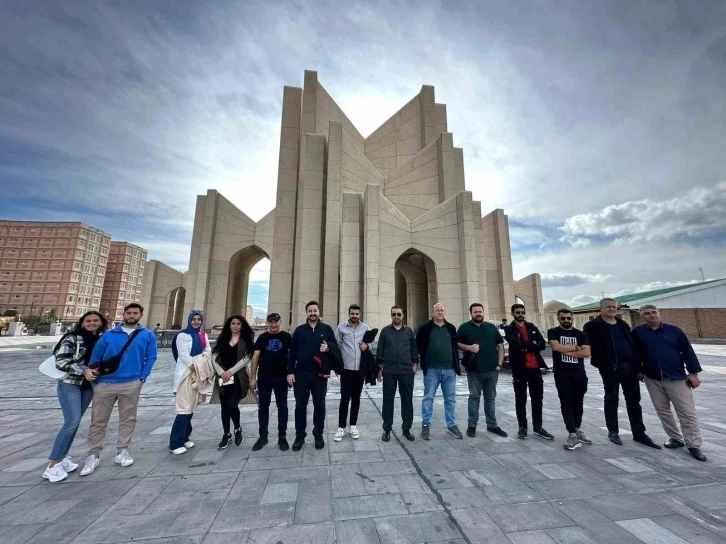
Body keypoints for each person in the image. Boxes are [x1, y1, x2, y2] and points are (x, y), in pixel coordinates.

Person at [80, 303, 157, 476]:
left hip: (131, 383)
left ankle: (122, 451)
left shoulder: (147, 335)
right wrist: (96, 383)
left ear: (140, 315)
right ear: (124, 314)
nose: (131, 315)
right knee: (98, 421)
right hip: (106, 384)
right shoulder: (108, 335)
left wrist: (142, 378)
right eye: (128, 313)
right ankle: (93, 455)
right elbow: (95, 359)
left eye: (135, 313)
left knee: (128, 419)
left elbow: (151, 357)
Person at [632, 305, 706, 461]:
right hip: (652, 378)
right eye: (647, 314)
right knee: (663, 410)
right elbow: (635, 354)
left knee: (686, 412)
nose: (652, 316)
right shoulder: (638, 333)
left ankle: (693, 444)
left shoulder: (674, 331)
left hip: (676, 377)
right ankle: (675, 438)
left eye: (654, 312)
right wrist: (638, 371)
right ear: (642, 317)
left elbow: (687, 351)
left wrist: (693, 373)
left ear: (659, 314)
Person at [583, 298, 660, 449]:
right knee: (611, 399)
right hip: (610, 369)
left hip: (630, 368)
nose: (612, 309)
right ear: (601, 309)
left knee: (634, 401)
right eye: (608, 307)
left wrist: (638, 368)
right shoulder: (593, 326)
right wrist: (601, 363)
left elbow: (632, 345)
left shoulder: (622, 324)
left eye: (614, 306)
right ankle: (613, 431)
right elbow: (588, 346)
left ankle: (639, 433)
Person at [43, 311, 109, 482]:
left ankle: (63, 457)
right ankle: (52, 464)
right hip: (70, 384)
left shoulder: (101, 339)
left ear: (101, 323)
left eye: (96, 320)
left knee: (76, 422)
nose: (92, 323)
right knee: (71, 422)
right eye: (88, 320)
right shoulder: (72, 337)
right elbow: (61, 360)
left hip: (87, 386)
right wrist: (83, 370)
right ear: (82, 322)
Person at [288, 301, 338, 451]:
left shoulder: (327, 329)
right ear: (307, 313)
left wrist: (328, 347)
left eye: (315, 310)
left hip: (319, 375)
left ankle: (318, 435)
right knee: (300, 406)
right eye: (310, 311)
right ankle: (300, 436)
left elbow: (335, 348)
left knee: (320, 406)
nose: (313, 313)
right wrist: (290, 372)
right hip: (301, 374)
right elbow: (292, 354)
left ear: (319, 312)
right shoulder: (299, 331)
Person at [457, 303, 507, 438]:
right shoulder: (464, 328)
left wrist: (499, 365)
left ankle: (492, 425)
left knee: (490, 398)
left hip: (492, 370)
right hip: (474, 370)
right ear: (471, 313)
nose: (478, 313)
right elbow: (457, 344)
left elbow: (500, 346)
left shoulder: (491, 328)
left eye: (480, 311)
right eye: (475, 312)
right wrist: (469, 348)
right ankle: (472, 426)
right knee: (474, 398)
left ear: (483, 312)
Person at [504, 304, 554, 441]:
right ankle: (522, 427)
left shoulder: (531, 327)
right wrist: (532, 345)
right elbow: (515, 344)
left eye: (522, 312)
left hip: (535, 369)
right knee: (520, 399)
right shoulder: (509, 329)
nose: (521, 314)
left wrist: (526, 346)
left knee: (537, 399)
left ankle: (538, 427)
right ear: (513, 313)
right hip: (520, 369)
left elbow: (542, 345)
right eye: (518, 312)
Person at [416, 303, 463, 440]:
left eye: (442, 310)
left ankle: (451, 425)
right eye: (437, 310)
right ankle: (426, 425)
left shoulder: (451, 328)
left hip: (449, 370)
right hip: (432, 369)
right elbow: (419, 345)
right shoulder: (425, 328)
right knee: (428, 398)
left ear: (445, 312)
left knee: (450, 399)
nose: (440, 312)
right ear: (433, 312)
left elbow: (455, 346)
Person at [547, 309, 591, 450]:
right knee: (566, 403)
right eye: (563, 318)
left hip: (579, 374)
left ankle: (577, 429)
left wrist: (565, 349)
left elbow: (587, 352)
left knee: (578, 403)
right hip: (562, 374)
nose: (566, 320)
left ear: (572, 318)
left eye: (568, 318)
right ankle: (571, 433)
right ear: (558, 319)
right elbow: (555, 347)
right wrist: (576, 348)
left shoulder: (581, 334)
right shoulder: (553, 332)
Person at [168, 310, 211, 454]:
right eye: (194, 319)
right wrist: (198, 364)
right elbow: (184, 356)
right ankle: (174, 443)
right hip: (186, 374)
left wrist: (200, 363)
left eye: (199, 319)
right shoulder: (183, 335)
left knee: (191, 407)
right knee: (183, 408)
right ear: (189, 320)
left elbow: (207, 352)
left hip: (198, 375)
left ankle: (185, 438)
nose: (196, 321)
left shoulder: (203, 334)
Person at [210, 315, 255, 450]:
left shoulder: (246, 341)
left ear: (242, 326)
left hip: (238, 378)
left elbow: (247, 357)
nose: (235, 326)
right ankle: (226, 434)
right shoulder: (223, 339)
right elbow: (214, 357)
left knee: (232, 404)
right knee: (224, 407)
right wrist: (221, 372)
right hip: (222, 378)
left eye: (238, 324)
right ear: (229, 325)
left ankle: (237, 428)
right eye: (233, 323)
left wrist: (230, 371)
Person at [250, 312, 292, 452]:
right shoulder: (262, 338)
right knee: (263, 407)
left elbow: (292, 357)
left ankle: (282, 437)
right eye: (271, 322)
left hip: (281, 377)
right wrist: (252, 378)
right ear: (267, 323)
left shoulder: (286, 337)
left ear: (280, 322)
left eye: (276, 321)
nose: (273, 324)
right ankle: (263, 436)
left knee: (283, 407)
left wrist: (291, 374)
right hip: (264, 377)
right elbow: (255, 358)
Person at [377, 305, 417, 442]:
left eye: (399, 314)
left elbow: (413, 349)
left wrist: (415, 364)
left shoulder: (409, 332)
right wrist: (379, 369)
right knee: (388, 400)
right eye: (394, 314)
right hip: (389, 371)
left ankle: (407, 428)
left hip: (406, 371)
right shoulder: (385, 331)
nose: (396, 317)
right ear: (391, 316)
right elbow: (380, 350)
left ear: (403, 315)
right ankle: (387, 429)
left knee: (407, 400)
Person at [333, 304, 370, 442]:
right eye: (352, 314)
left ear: (359, 314)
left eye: (357, 314)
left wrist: (367, 346)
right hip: (346, 370)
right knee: (344, 399)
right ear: (348, 314)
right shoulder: (341, 327)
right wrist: (337, 366)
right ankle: (341, 427)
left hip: (359, 370)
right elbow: (336, 345)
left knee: (356, 399)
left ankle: (353, 425)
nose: (354, 316)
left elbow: (370, 343)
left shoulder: (365, 327)